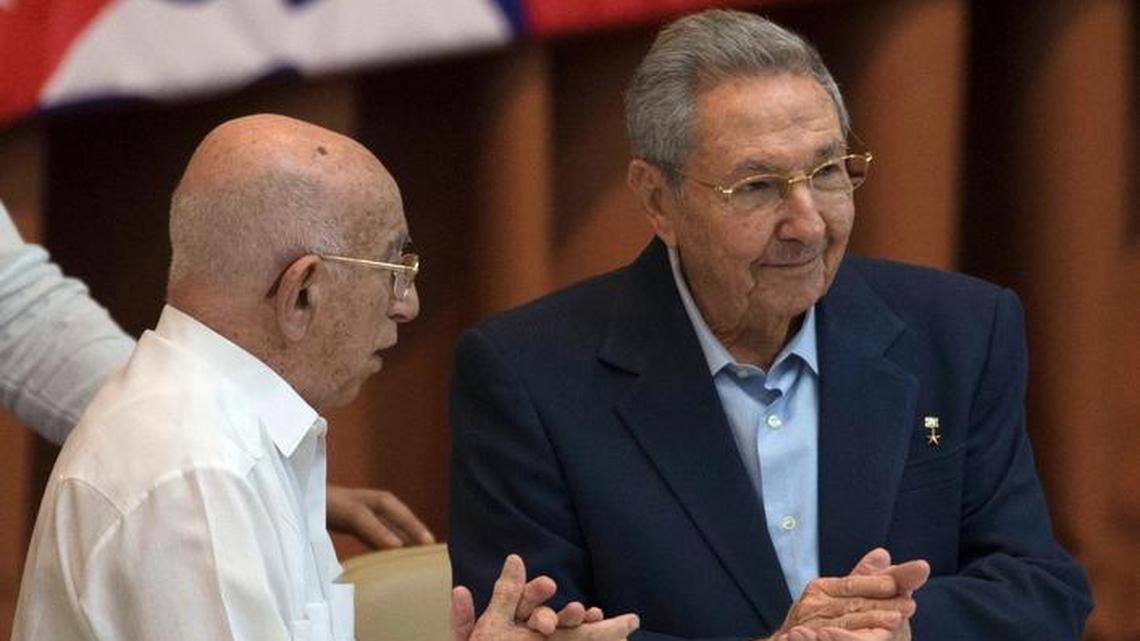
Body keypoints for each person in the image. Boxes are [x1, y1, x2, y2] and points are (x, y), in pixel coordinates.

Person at [448, 9, 1092, 641]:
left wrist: (891, 629)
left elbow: (1040, 587)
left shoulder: (961, 332)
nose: (809, 224)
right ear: (657, 199)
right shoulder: (526, 376)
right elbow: (532, 631)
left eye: (828, 171)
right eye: (758, 186)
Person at [11, 114, 639, 641]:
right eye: (395, 268)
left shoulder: (219, 433)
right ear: (302, 293)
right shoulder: (198, 480)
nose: (408, 305)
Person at [0, 197, 435, 550]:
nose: (407, 307)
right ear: (300, 291)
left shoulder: (205, 475)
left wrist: (249, 469)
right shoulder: (192, 488)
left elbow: (18, 309)